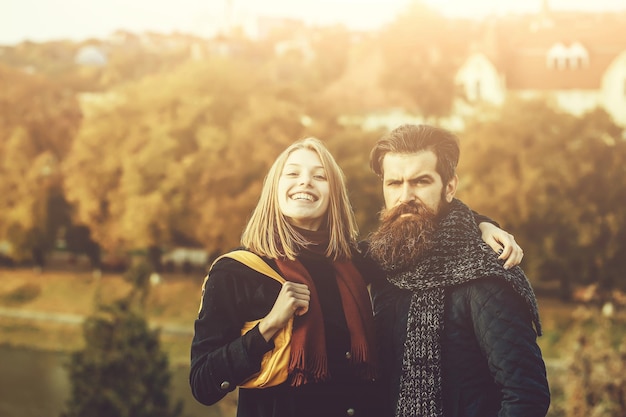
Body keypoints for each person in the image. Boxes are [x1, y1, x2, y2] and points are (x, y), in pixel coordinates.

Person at [189, 137, 524, 417]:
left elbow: (423, 217)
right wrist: (268, 327)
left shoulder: (354, 262)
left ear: (332, 194)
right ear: (274, 189)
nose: (305, 181)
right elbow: (203, 384)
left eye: (319, 176)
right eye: (293, 173)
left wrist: (483, 224)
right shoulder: (235, 272)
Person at [366, 124, 550, 417]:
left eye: (420, 182)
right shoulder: (383, 261)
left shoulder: (484, 274)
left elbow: (525, 396)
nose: (405, 196)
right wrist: (481, 221)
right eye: (394, 183)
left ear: (449, 187)